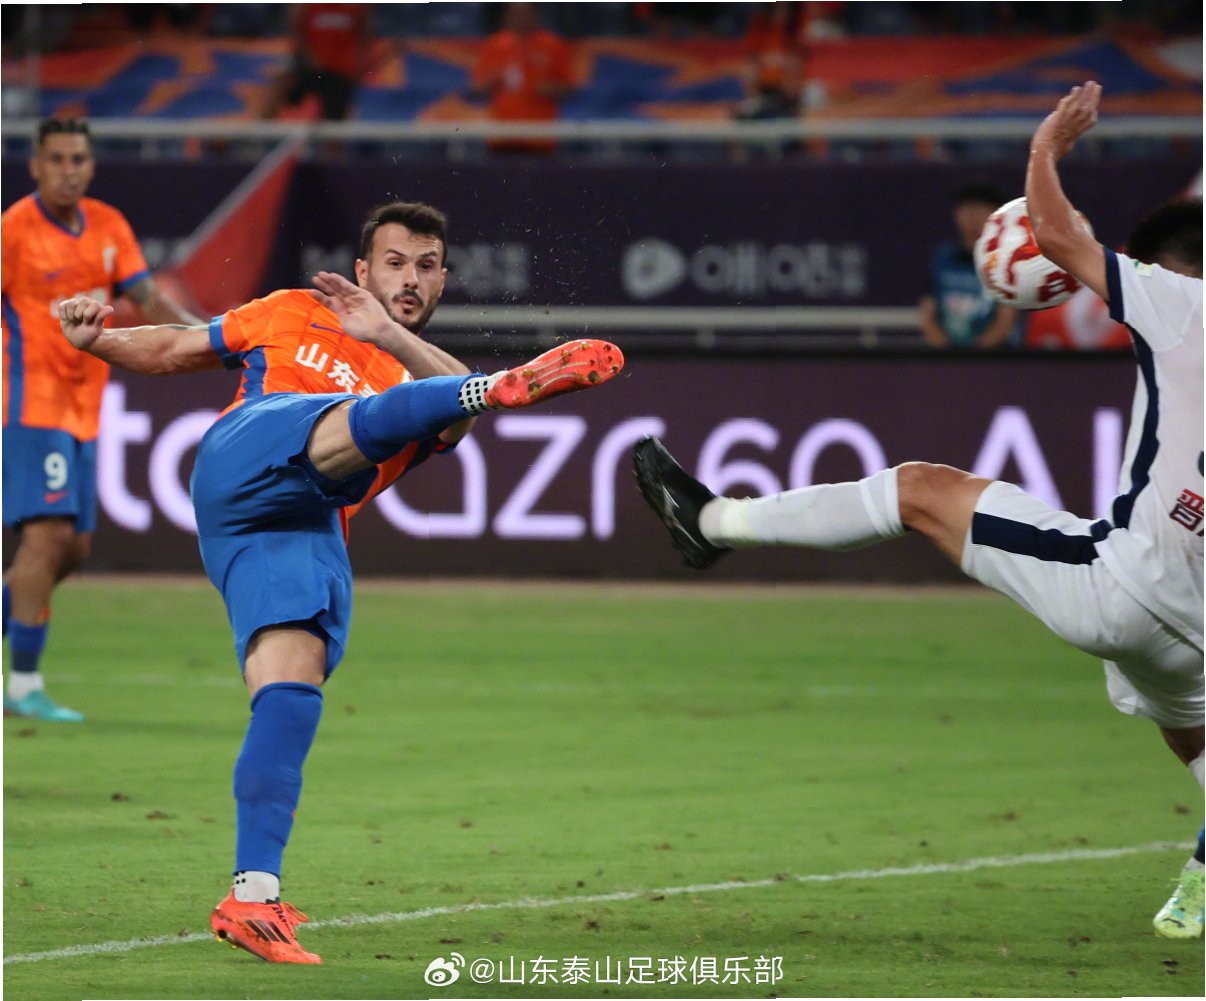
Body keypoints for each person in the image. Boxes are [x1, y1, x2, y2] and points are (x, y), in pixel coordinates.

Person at [633, 82, 1203, 939]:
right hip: (1195, 619)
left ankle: (710, 524)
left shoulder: (1184, 303)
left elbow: (1055, 237)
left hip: (1122, 584)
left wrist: (1047, 147)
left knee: (919, 490)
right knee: (1186, 721)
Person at [58, 200, 624, 964]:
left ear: (444, 281)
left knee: (291, 690)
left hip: (302, 522)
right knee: (378, 408)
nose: (411, 277)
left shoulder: (414, 364)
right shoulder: (291, 309)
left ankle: (252, 897)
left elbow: (453, 420)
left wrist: (386, 334)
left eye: (427, 266)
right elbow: (173, 346)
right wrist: (97, 339)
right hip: (248, 455)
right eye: (395, 262)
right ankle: (500, 385)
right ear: (361, 269)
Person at [2, 117, 202, 723]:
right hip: (29, 400)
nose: (69, 170)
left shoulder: (109, 225)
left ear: (91, 166)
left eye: (78, 159)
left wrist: (215, 336)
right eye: (57, 159)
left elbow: (148, 299)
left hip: (85, 406)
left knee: (74, 548)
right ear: (36, 166)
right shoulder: (14, 231)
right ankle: (23, 684)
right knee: (47, 536)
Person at [918, 183, 1020, 350]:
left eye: (981, 210)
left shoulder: (1007, 262)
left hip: (995, 358)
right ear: (956, 214)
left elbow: (1006, 320)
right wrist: (948, 354)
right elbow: (927, 315)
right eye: (968, 209)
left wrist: (974, 357)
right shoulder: (941, 259)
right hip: (945, 359)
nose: (973, 218)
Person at [470, 2, 575, 156]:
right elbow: (477, 88)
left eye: (525, 13)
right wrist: (491, 81)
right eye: (516, 13)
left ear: (536, 15)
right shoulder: (494, 45)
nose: (520, 18)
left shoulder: (552, 45)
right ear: (507, 16)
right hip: (503, 137)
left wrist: (551, 88)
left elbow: (570, 88)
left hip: (539, 137)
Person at [259, 3, 371, 122]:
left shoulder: (356, 7)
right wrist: (308, 55)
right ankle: (262, 129)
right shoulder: (310, 6)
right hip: (310, 66)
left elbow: (364, 35)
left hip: (340, 70)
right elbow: (297, 30)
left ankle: (331, 130)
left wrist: (359, 64)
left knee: (335, 118)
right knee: (280, 83)